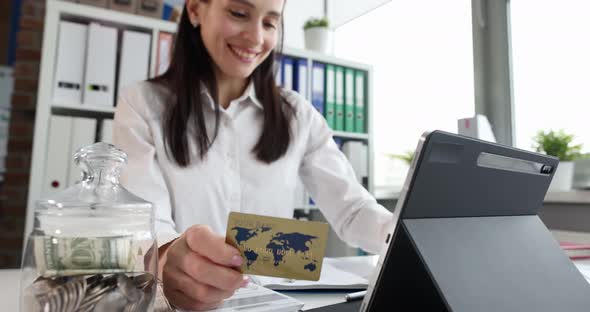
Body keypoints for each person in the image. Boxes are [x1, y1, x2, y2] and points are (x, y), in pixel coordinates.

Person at [113, 0, 393, 310]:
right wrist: (170, 258)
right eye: (239, 14)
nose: (256, 38)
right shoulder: (143, 104)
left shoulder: (297, 114)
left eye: (270, 23)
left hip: (277, 303)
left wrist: (404, 234)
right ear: (195, 10)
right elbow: (146, 225)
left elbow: (352, 209)